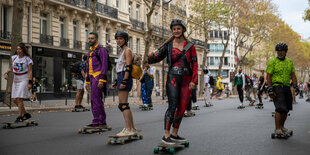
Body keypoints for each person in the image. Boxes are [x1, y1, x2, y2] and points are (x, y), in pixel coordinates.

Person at [148, 19, 198, 145]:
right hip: (173, 78)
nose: (176, 31)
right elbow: (156, 58)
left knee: (182, 108)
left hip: (187, 80)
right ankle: (166, 135)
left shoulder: (190, 46)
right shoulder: (168, 46)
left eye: (178, 28)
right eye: (174, 29)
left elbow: (195, 65)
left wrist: (194, 81)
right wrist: (150, 57)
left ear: (183, 30)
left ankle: (174, 134)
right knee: (173, 105)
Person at [266, 42, 297, 137]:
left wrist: (295, 85)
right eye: (278, 51)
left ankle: (282, 127)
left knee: (286, 109)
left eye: (282, 51)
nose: (280, 53)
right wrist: (270, 88)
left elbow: (293, 74)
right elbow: (268, 76)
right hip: (277, 86)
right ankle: (277, 129)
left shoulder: (289, 62)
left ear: (286, 51)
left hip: (287, 86)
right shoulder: (273, 62)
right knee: (280, 108)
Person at [111, 30, 137, 136]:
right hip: (121, 76)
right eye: (117, 38)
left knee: (123, 105)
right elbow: (120, 68)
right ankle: (132, 128)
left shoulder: (127, 51)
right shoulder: (121, 51)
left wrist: (124, 80)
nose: (118, 40)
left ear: (125, 40)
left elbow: (128, 67)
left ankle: (129, 129)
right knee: (124, 105)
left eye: (120, 38)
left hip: (125, 77)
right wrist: (117, 81)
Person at [85, 32, 110, 129]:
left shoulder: (101, 50)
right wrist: (87, 81)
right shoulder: (90, 51)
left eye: (92, 38)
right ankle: (100, 120)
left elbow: (104, 65)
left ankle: (98, 121)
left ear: (96, 39)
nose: (90, 40)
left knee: (96, 99)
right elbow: (88, 67)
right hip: (91, 78)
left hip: (98, 77)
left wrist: (101, 79)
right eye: (89, 38)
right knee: (94, 99)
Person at [4, 43, 33, 122]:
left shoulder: (27, 59)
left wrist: (30, 83)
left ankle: (20, 116)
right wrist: (6, 73)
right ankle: (26, 114)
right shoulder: (14, 58)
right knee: (14, 100)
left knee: (19, 98)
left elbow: (30, 72)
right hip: (16, 79)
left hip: (24, 78)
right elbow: (11, 68)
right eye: (17, 49)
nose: (18, 51)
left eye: (20, 49)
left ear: (23, 50)